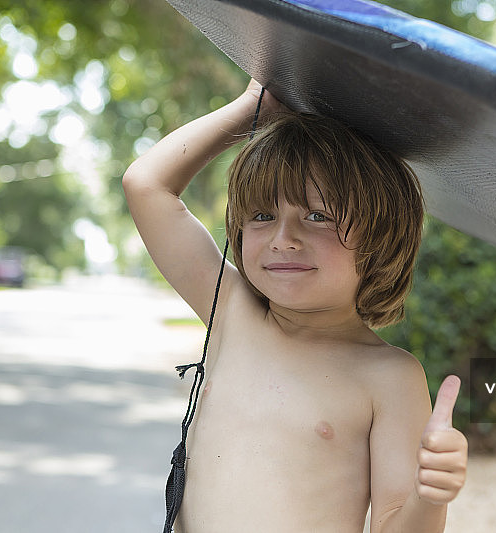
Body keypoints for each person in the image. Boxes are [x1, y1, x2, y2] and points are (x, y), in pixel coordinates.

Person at [123, 79, 468, 533]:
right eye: (262, 216)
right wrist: (253, 106)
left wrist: (429, 495)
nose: (283, 239)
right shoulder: (233, 312)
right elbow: (146, 185)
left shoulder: (390, 376)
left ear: (382, 236)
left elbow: (393, 524)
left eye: (318, 216)